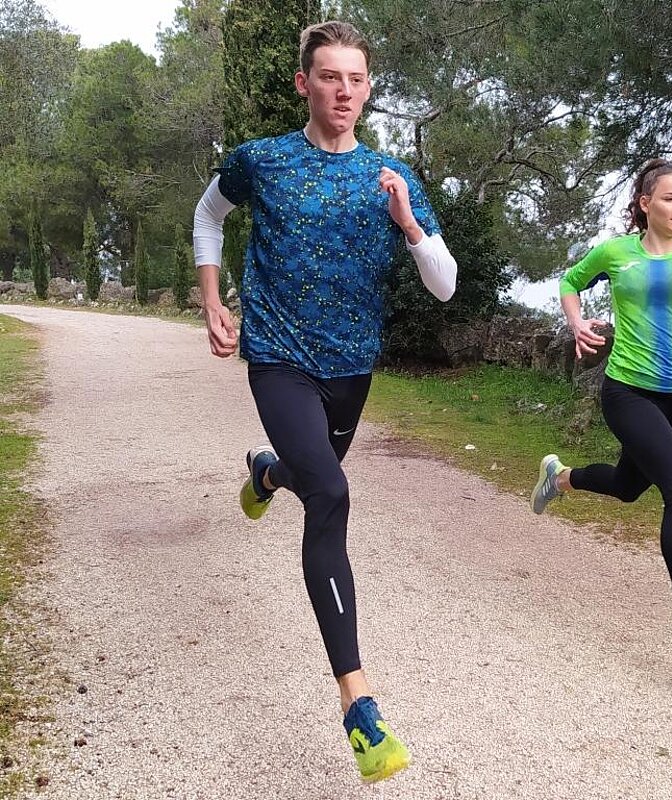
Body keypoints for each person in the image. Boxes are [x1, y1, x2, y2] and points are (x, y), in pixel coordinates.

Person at [192, 20, 457, 783]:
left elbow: (445, 285)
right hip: (278, 356)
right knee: (333, 495)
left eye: (356, 79)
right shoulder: (263, 159)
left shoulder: (390, 176)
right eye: (330, 77)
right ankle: (359, 707)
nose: (344, 91)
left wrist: (408, 223)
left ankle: (266, 472)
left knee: (310, 479)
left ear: (369, 90)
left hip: (352, 367)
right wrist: (213, 299)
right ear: (304, 83)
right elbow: (209, 216)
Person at [530, 159, 672, 671]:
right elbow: (571, 281)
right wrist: (576, 321)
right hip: (628, 391)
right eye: (671, 198)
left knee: (629, 486)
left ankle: (559, 478)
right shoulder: (616, 253)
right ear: (645, 203)